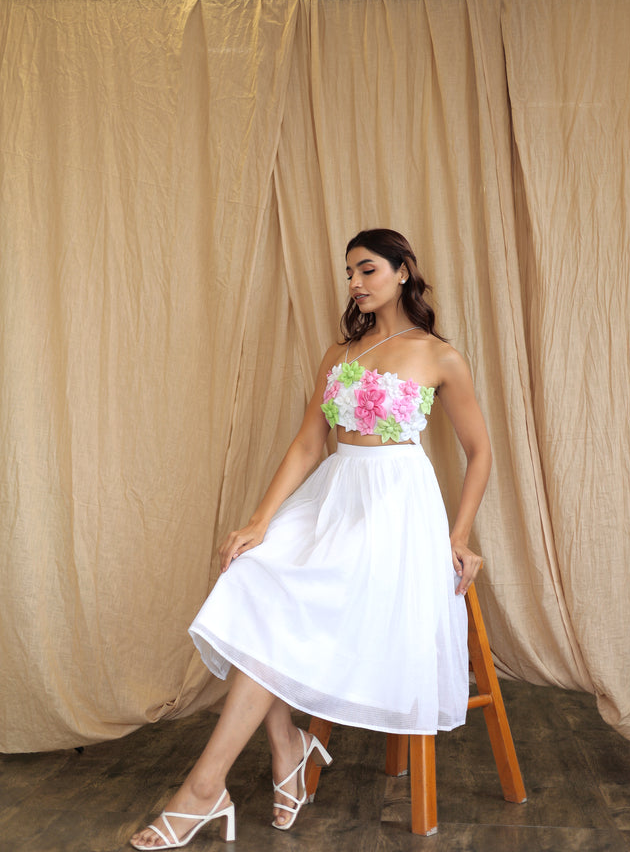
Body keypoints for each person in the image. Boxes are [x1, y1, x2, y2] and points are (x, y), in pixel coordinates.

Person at [130, 229, 491, 849]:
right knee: (249, 575)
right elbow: (307, 444)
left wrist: (458, 535)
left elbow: (480, 452)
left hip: (395, 507)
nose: (355, 283)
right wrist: (260, 521)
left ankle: (203, 788)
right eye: (349, 272)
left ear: (403, 272)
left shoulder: (439, 356)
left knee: (289, 603)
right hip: (333, 493)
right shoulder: (337, 353)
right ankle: (286, 746)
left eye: (367, 270)